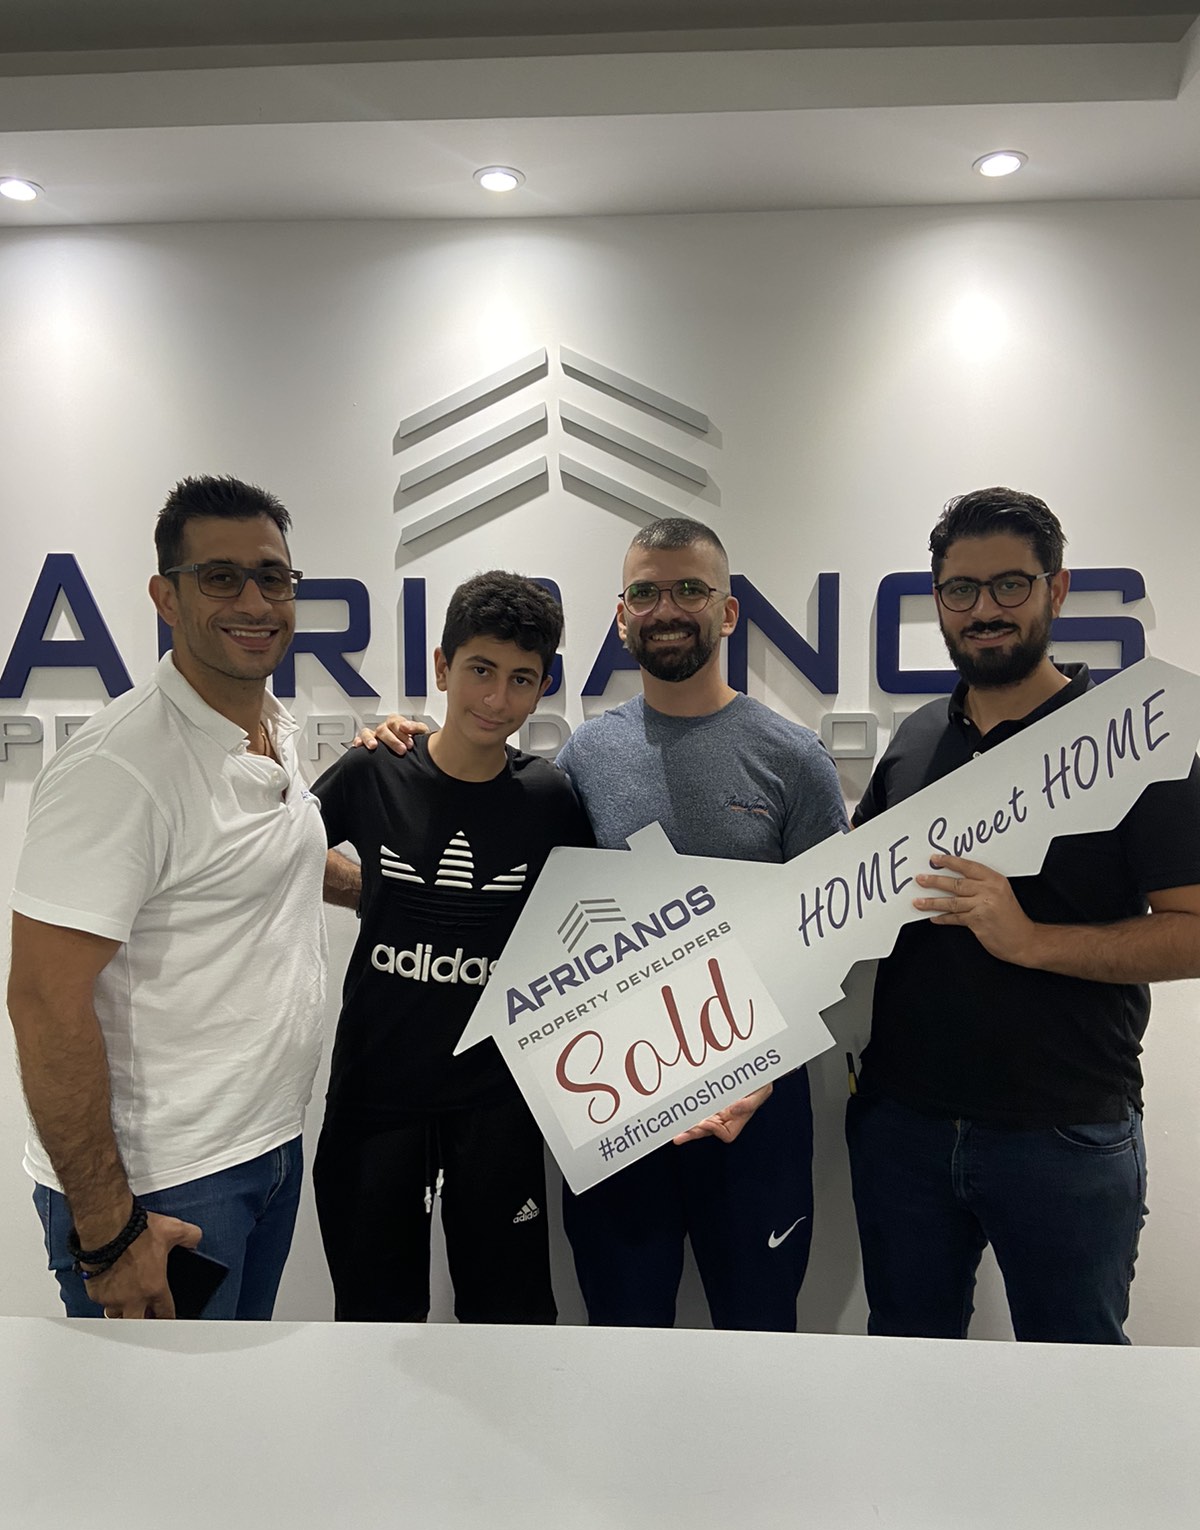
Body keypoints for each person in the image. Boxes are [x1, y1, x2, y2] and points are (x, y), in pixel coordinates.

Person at [847, 486, 1200, 1343]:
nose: (985, 610)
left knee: (1075, 1379)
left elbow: (1193, 932)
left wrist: (1031, 940)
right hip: (904, 1128)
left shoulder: (1130, 741)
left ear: (1056, 589)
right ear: (938, 601)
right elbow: (850, 909)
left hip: (1065, 1132)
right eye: (961, 590)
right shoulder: (917, 738)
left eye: (1010, 584)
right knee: (905, 1369)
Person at [8, 475, 326, 1320]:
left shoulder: (268, 726)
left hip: (266, 1149)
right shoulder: (119, 768)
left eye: (273, 577)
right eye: (221, 577)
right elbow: (42, 1001)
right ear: (166, 597)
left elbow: (252, 863)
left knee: (228, 1400)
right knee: (157, 1409)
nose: (254, 601)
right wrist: (109, 1232)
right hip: (164, 1189)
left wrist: (409, 889)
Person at [554, 517, 848, 1331]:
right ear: (622, 616)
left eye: (690, 589)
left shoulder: (792, 757)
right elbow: (551, 926)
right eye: (645, 593)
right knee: (621, 1334)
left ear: (727, 611)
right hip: (614, 1098)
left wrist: (766, 1065)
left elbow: (835, 933)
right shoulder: (583, 760)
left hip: (758, 1100)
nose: (667, 609)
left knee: (759, 1338)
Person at [313, 572, 593, 1323]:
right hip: (376, 1096)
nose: (496, 698)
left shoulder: (550, 799)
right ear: (442, 667)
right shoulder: (373, 769)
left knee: (511, 1322)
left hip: (496, 1101)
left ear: (543, 688)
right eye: (480, 670)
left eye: (521, 679)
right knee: (373, 1322)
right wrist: (371, 891)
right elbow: (278, 854)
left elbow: (595, 930)